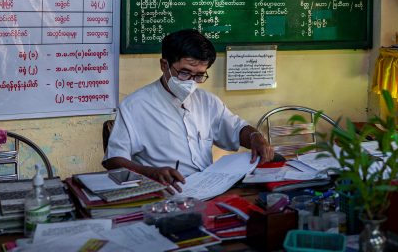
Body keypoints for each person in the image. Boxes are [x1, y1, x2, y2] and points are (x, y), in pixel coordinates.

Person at [103, 29, 274, 193]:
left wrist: (255, 137)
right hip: (165, 191)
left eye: (199, 75)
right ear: (164, 65)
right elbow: (113, 160)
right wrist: (150, 172)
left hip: (209, 187)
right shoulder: (135, 106)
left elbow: (236, 129)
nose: (191, 82)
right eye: (184, 73)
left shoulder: (207, 101)